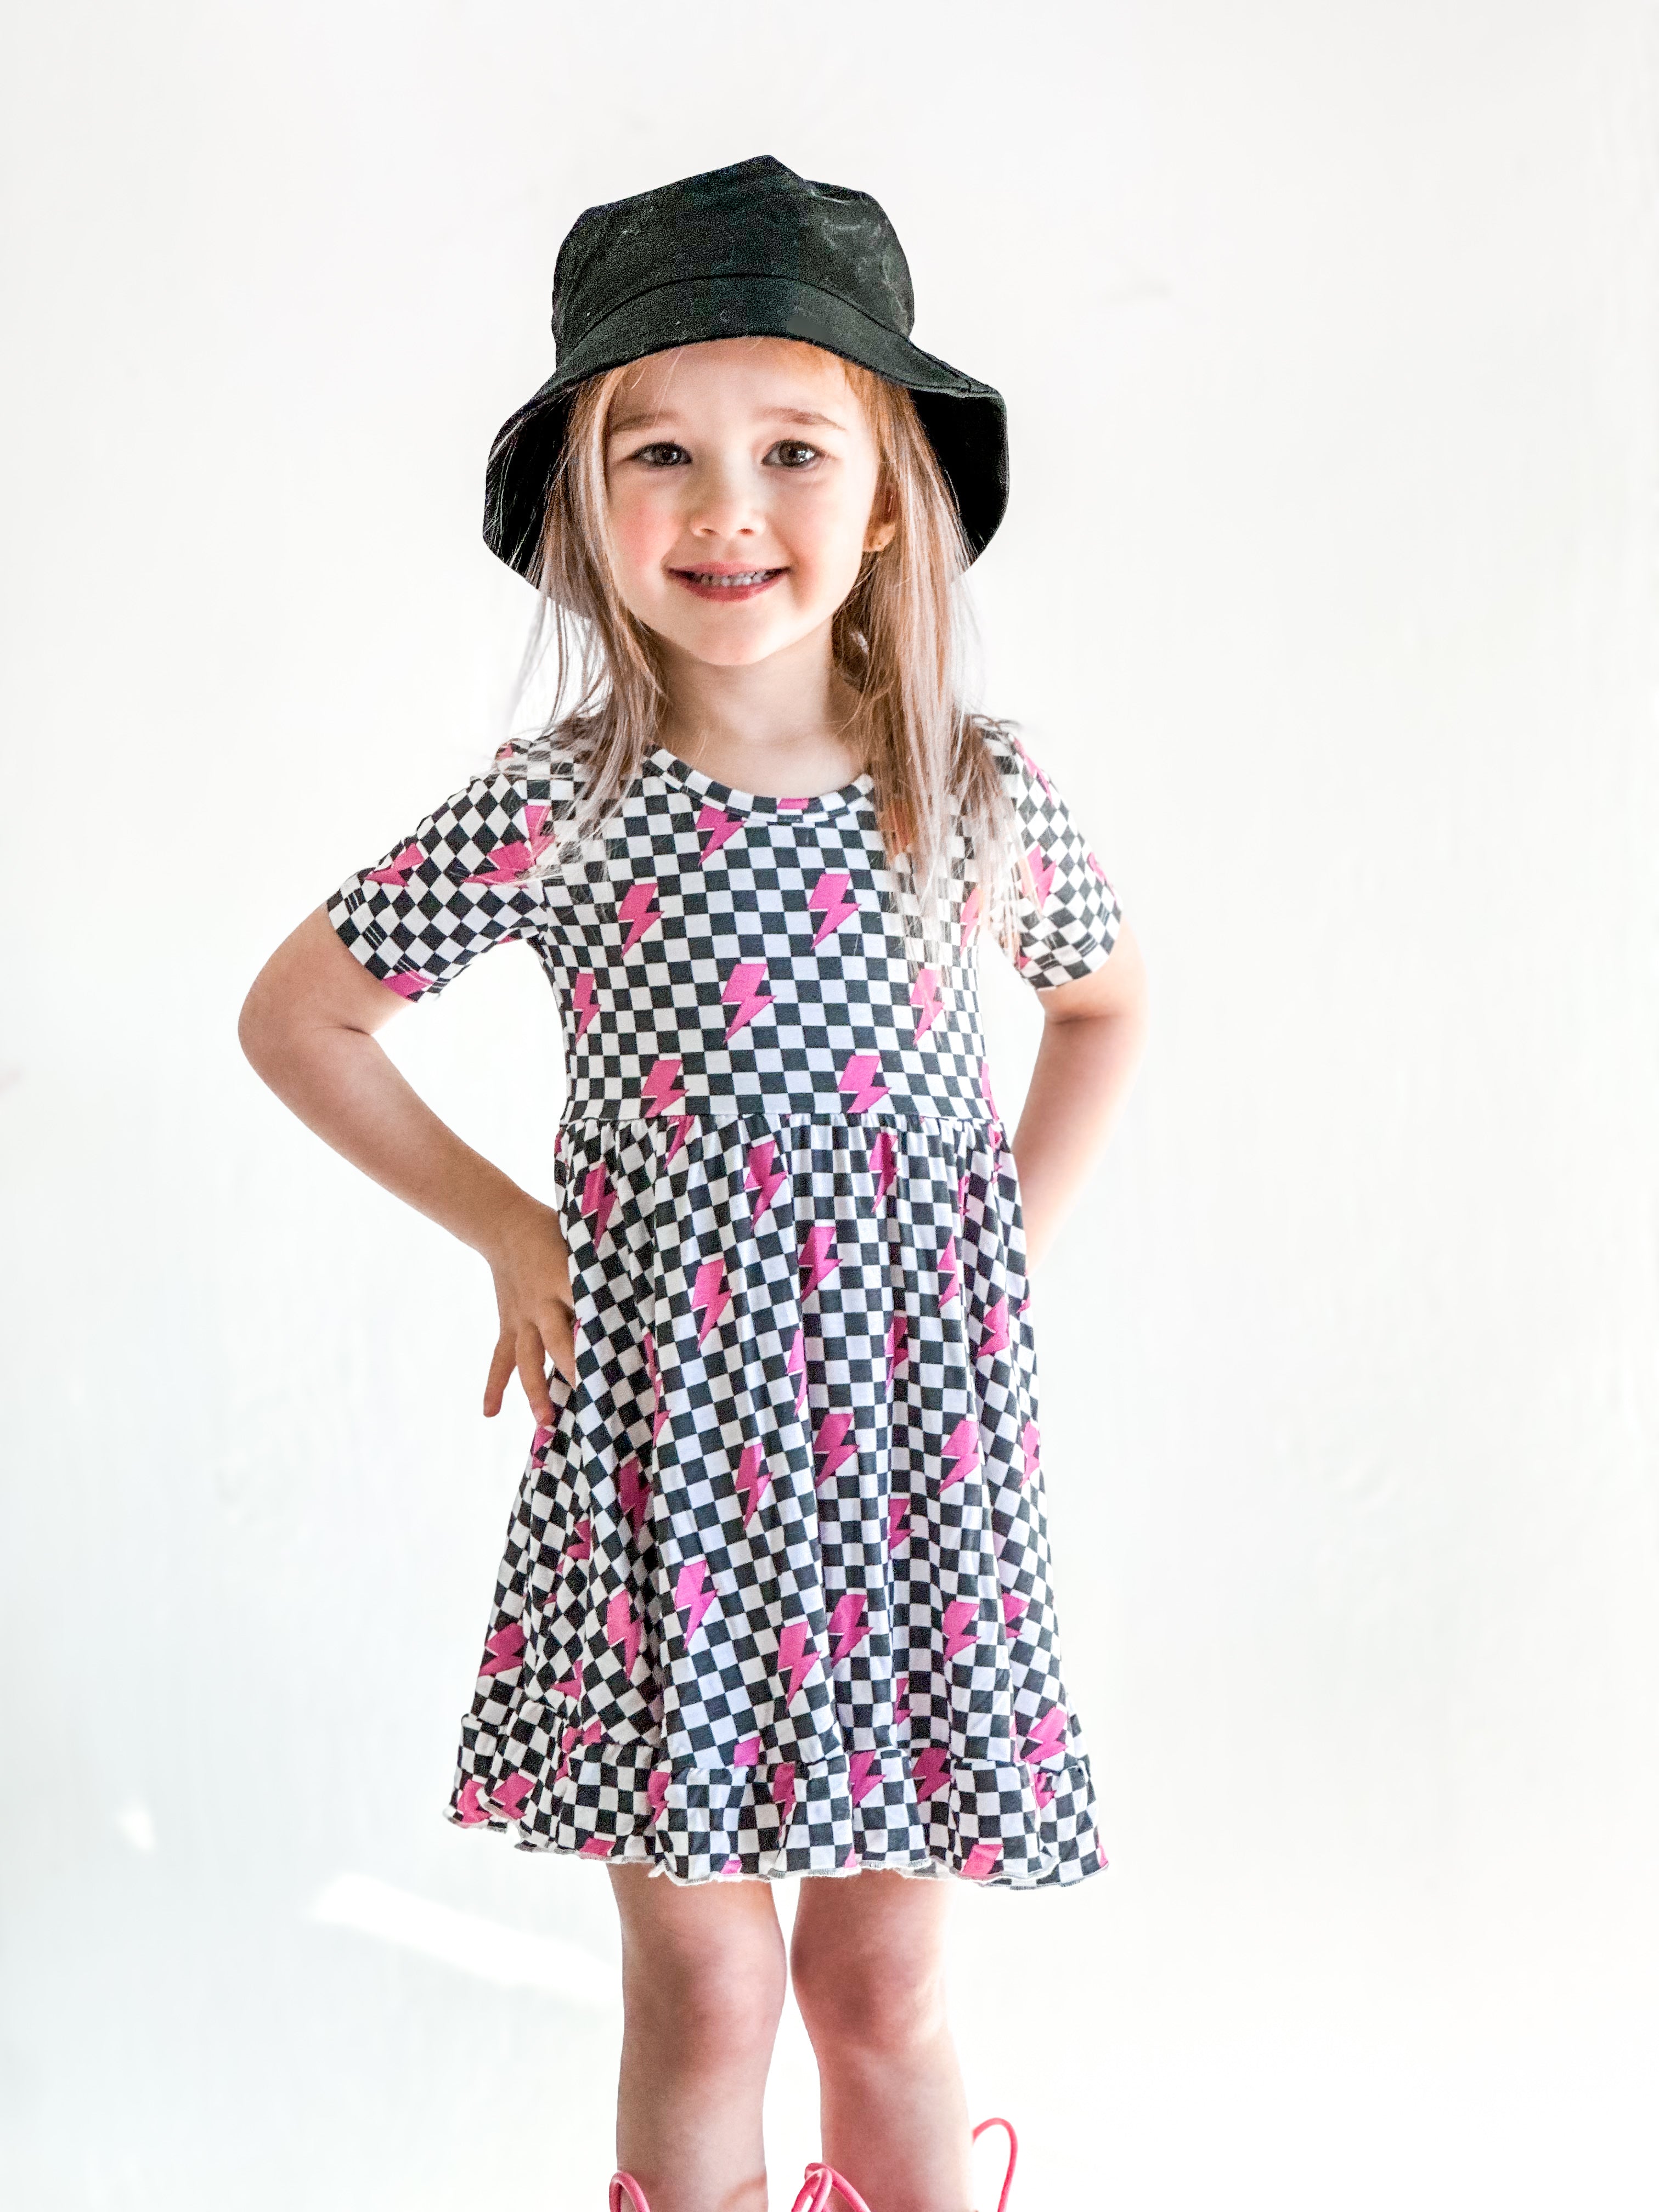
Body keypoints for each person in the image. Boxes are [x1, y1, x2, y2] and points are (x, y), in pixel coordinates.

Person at [239, 155, 1149, 2212]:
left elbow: (1105, 1009)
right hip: (672, 1452)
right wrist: (507, 1224)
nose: (729, 507)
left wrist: (998, 1248)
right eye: (662, 451)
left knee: (882, 1979)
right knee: (711, 1982)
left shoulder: (969, 791)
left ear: (888, 496)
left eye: (793, 449)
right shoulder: (562, 806)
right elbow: (300, 1018)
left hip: (913, 1454)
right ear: (588, 504)